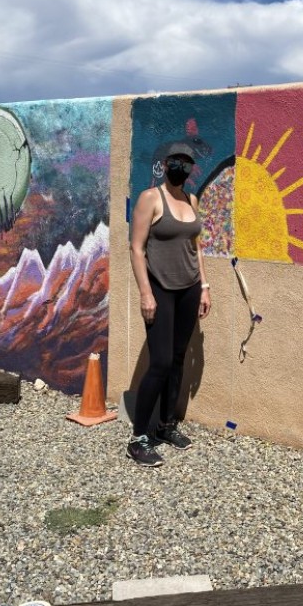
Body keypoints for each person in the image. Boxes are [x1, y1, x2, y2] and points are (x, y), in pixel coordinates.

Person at [127, 142, 211, 467]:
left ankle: (165, 426)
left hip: (189, 288)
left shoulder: (192, 200)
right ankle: (138, 439)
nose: (182, 166)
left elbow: (196, 246)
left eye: (187, 162)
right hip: (160, 288)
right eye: (177, 161)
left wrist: (203, 286)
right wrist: (145, 293)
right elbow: (136, 249)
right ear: (165, 164)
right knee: (160, 362)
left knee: (177, 360)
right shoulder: (151, 198)